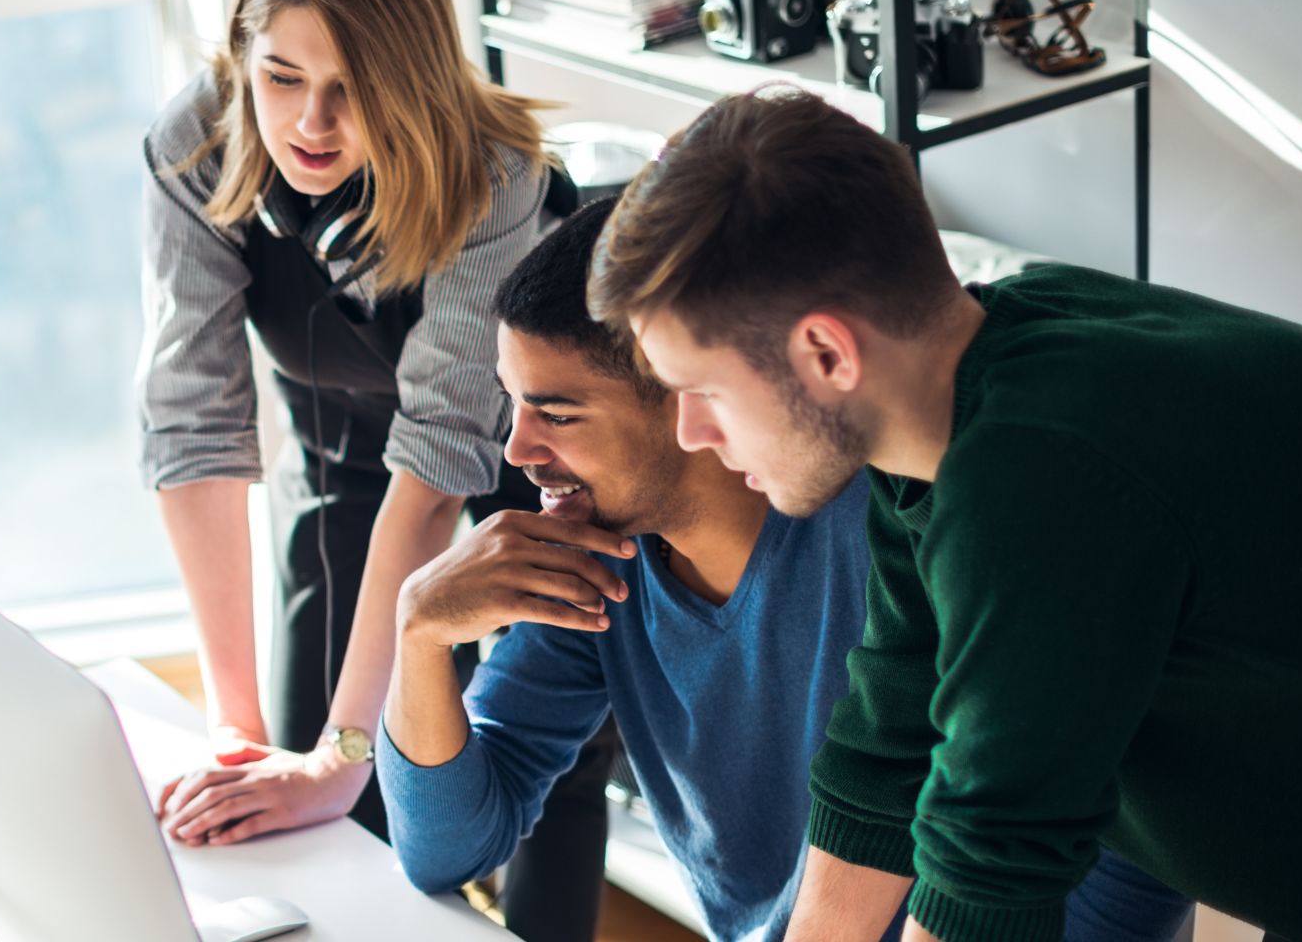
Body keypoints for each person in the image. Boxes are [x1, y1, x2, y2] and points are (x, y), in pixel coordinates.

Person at [587, 88, 1302, 942]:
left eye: (703, 391)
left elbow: (991, 864)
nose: (691, 433)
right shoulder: (954, 415)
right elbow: (887, 748)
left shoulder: (1043, 474)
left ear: (826, 352)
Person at [378, 197, 1193, 942]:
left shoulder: (904, 523)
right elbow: (447, 850)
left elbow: (1126, 837)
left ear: (688, 396)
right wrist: (418, 632)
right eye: (512, 404)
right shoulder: (592, 560)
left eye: (556, 413)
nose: (518, 451)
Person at [135, 0, 608, 940]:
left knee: (529, 770)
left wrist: (343, 759)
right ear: (239, 60)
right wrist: (238, 729)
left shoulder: (494, 177)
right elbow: (192, 430)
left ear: (413, 76)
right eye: (281, 77)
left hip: (515, 487)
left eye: (352, 88)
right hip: (338, 465)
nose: (310, 121)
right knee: (313, 799)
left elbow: (439, 466)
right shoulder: (192, 149)